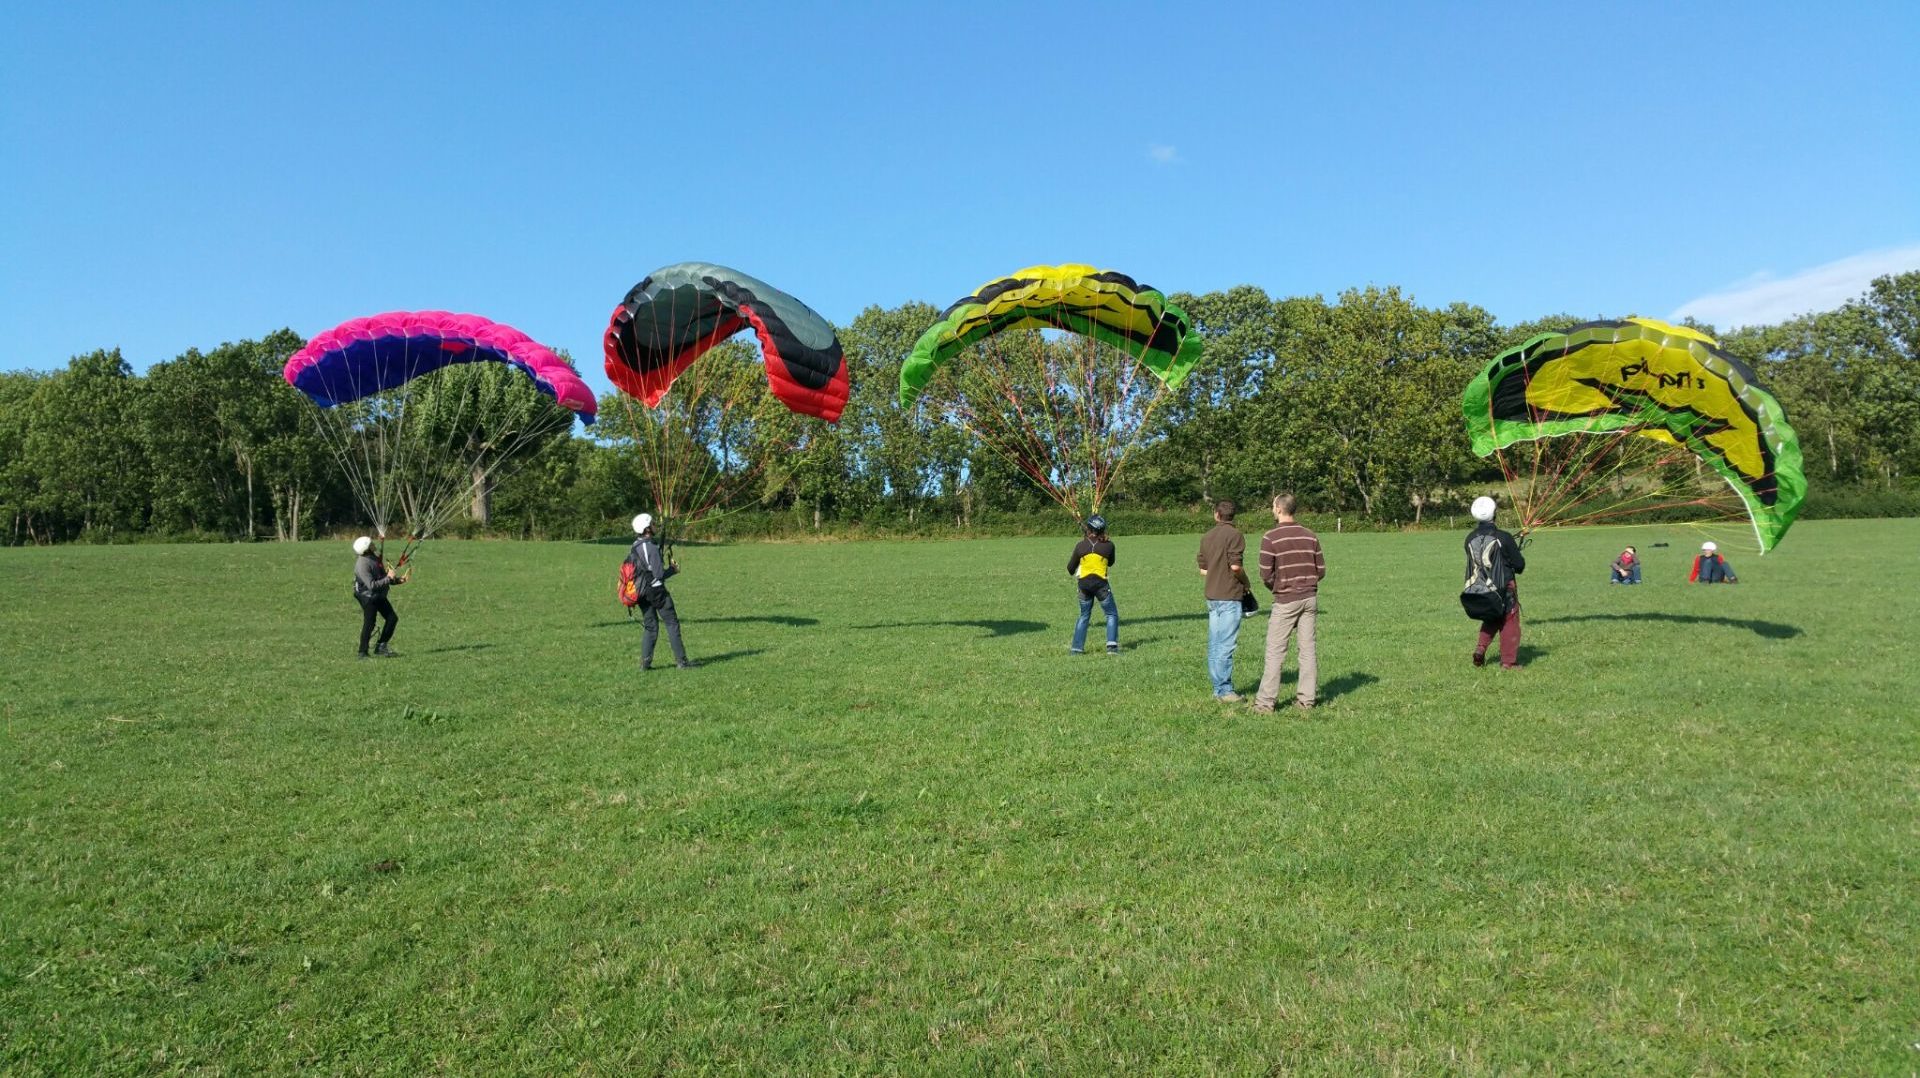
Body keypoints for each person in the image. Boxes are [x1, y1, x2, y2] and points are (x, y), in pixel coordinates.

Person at [1252, 493, 1326, 713]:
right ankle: (1307, 700)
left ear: (1278, 509)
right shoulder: (1310, 535)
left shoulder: (1270, 538)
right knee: (1308, 650)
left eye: (1272, 506)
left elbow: (1265, 574)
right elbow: (1320, 570)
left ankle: (1265, 703)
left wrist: (1278, 587)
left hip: (1285, 600)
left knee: (1275, 652)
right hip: (1310, 598)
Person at [1197, 500, 1251, 701]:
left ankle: (1217, 688)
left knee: (1215, 644)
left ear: (1216, 514)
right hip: (1229, 595)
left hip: (1212, 595)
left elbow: (1204, 570)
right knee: (1226, 645)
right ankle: (1225, 691)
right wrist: (1246, 583)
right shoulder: (1235, 535)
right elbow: (1236, 567)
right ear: (1233, 516)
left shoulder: (1207, 536)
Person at [628, 513, 697, 669]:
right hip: (656, 592)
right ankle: (682, 662)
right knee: (672, 623)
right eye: (652, 523)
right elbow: (659, 575)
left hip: (641, 592)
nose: (654, 525)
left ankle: (645, 665)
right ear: (647, 529)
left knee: (650, 626)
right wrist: (672, 570)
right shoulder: (651, 548)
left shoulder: (635, 545)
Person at [1465, 496, 1526, 669]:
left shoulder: (1469, 538)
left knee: (1492, 617)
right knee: (1509, 621)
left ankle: (1480, 648)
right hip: (1504, 587)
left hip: (1481, 587)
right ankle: (1508, 662)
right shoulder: (1504, 537)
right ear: (1495, 513)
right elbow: (1519, 565)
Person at [1067, 514, 1119, 654]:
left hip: (1083, 586)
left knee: (1084, 615)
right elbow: (1111, 562)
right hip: (1100, 585)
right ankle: (1112, 648)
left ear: (1088, 529)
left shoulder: (1080, 546)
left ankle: (1076, 649)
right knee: (1111, 614)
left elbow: (1070, 569)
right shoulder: (1109, 545)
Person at [352, 535, 404, 659]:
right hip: (367, 597)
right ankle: (362, 653)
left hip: (377, 594)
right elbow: (372, 585)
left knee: (392, 618)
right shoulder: (362, 564)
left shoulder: (373, 558)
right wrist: (389, 578)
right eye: (371, 544)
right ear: (367, 549)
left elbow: (381, 576)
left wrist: (397, 580)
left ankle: (381, 646)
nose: (373, 544)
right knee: (370, 623)